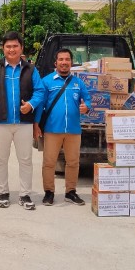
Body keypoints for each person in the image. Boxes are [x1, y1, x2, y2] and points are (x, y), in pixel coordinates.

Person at [0, 32, 43, 209]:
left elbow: (40, 91)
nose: (12, 49)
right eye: (8, 46)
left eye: (15, 46)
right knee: (1, 159)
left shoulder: (31, 69)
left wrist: (30, 104)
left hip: (24, 122)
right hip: (1, 122)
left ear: (21, 48)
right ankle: (3, 193)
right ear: (3, 48)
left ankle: (25, 195)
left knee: (25, 160)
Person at [33, 48, 91, 207]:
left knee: (73, 162)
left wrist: (86, 107)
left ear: (71, 62)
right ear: (56, 62)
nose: (64, 62)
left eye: (67, 59)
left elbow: (87, 100)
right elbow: (40, 106)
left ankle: (70, 192)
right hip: (52, 129)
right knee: (49, 162)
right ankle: (49, 193)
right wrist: (36, 125)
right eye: (61, 59)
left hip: (73, 130)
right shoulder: (47, 81)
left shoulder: (78, 83)